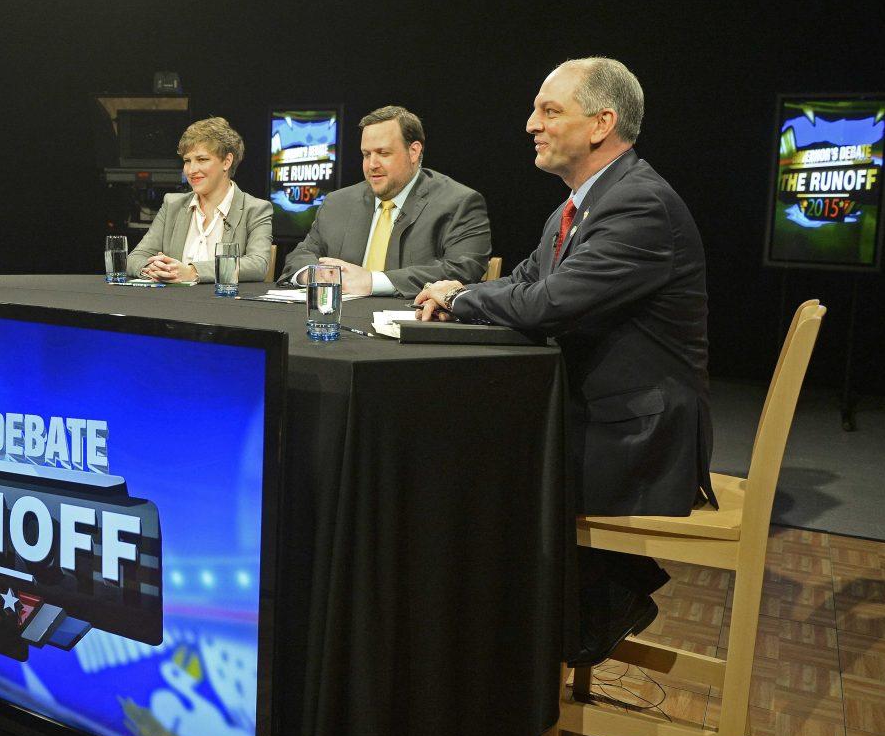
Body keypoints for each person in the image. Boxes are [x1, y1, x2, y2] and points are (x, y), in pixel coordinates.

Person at [416, 57, 716, 668]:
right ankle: (555, 626)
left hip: (640, 435)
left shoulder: (639, 205)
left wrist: (459, 295)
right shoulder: (577, 206)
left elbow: (548, 303)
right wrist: (462, 298)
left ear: (602, 123)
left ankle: (560, 627)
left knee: (485, 474)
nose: (531, 124)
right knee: (471, 451)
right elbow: (526, 280)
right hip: (600, 417)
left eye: (550, 111)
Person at [278, 106, 491, 297]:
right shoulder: (337, 203)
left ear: (414, 151)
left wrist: (371, 282)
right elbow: (301, 255)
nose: (372, 164)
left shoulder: (459, 202)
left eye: (383, 153)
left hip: (409, 329)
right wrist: (317, 276)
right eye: (366, 154)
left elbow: (463, 269)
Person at [127, 117, 272, 283]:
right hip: (171, 304)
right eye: (187, 161)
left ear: (227, 161)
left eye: (202, 159)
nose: (191, 170)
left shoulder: (255, 209)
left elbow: (257, 265)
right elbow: (136, 257)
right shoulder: (172, 204)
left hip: (225, 305)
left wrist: (193, 272)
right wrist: (152, 270)